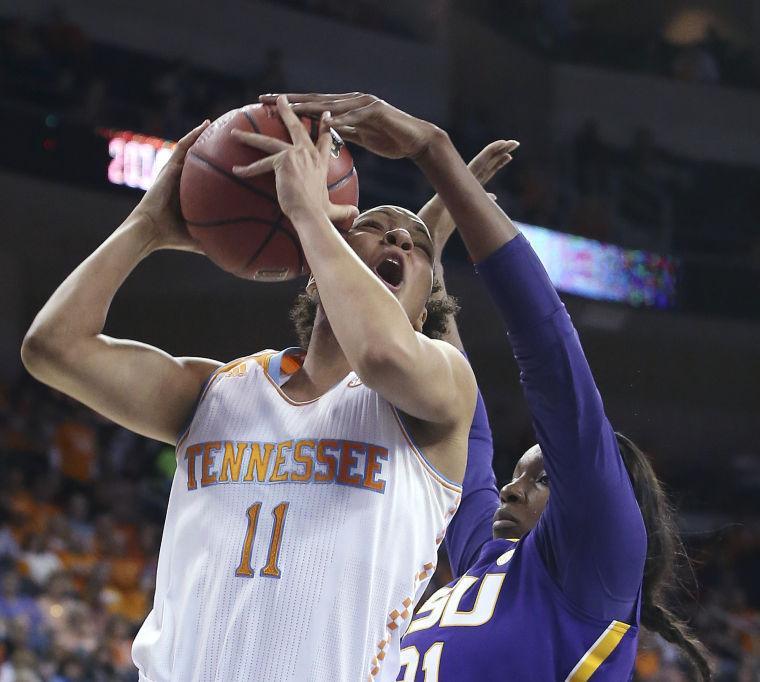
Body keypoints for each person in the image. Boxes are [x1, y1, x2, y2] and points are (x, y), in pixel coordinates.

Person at [256, 92, 711, 680]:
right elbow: (465, 428)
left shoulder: (597, 561)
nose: (511, 491)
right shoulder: (483, 560)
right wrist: (432, 262)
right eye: (515, 476)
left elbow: (549, 355)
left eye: (541, 478)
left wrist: (434, 151)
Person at [21, 97, 477, 681]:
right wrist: (145, 228)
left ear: (420, 316)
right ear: (314, 270)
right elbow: (52, 348)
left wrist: (313, 216)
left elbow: (382, 352)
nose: (397, 239)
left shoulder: (441, 391)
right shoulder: (216, 391)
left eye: (415, 247)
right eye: (372, 227)